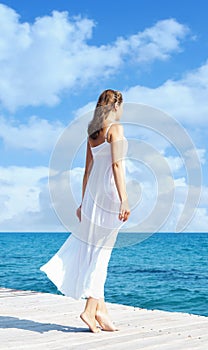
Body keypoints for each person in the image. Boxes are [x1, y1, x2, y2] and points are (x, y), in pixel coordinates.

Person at [40, 89, 130, 333]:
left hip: (92, 197)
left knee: (94, 252)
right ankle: (90, 310)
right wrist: (124, 199)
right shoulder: (116, 130)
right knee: (102, 254)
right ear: (115, 107)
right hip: (109, 196)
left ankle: (102, 311)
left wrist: (82, 203)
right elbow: (117, 165)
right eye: (121, 107)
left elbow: (87, 172)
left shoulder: (92, 134)